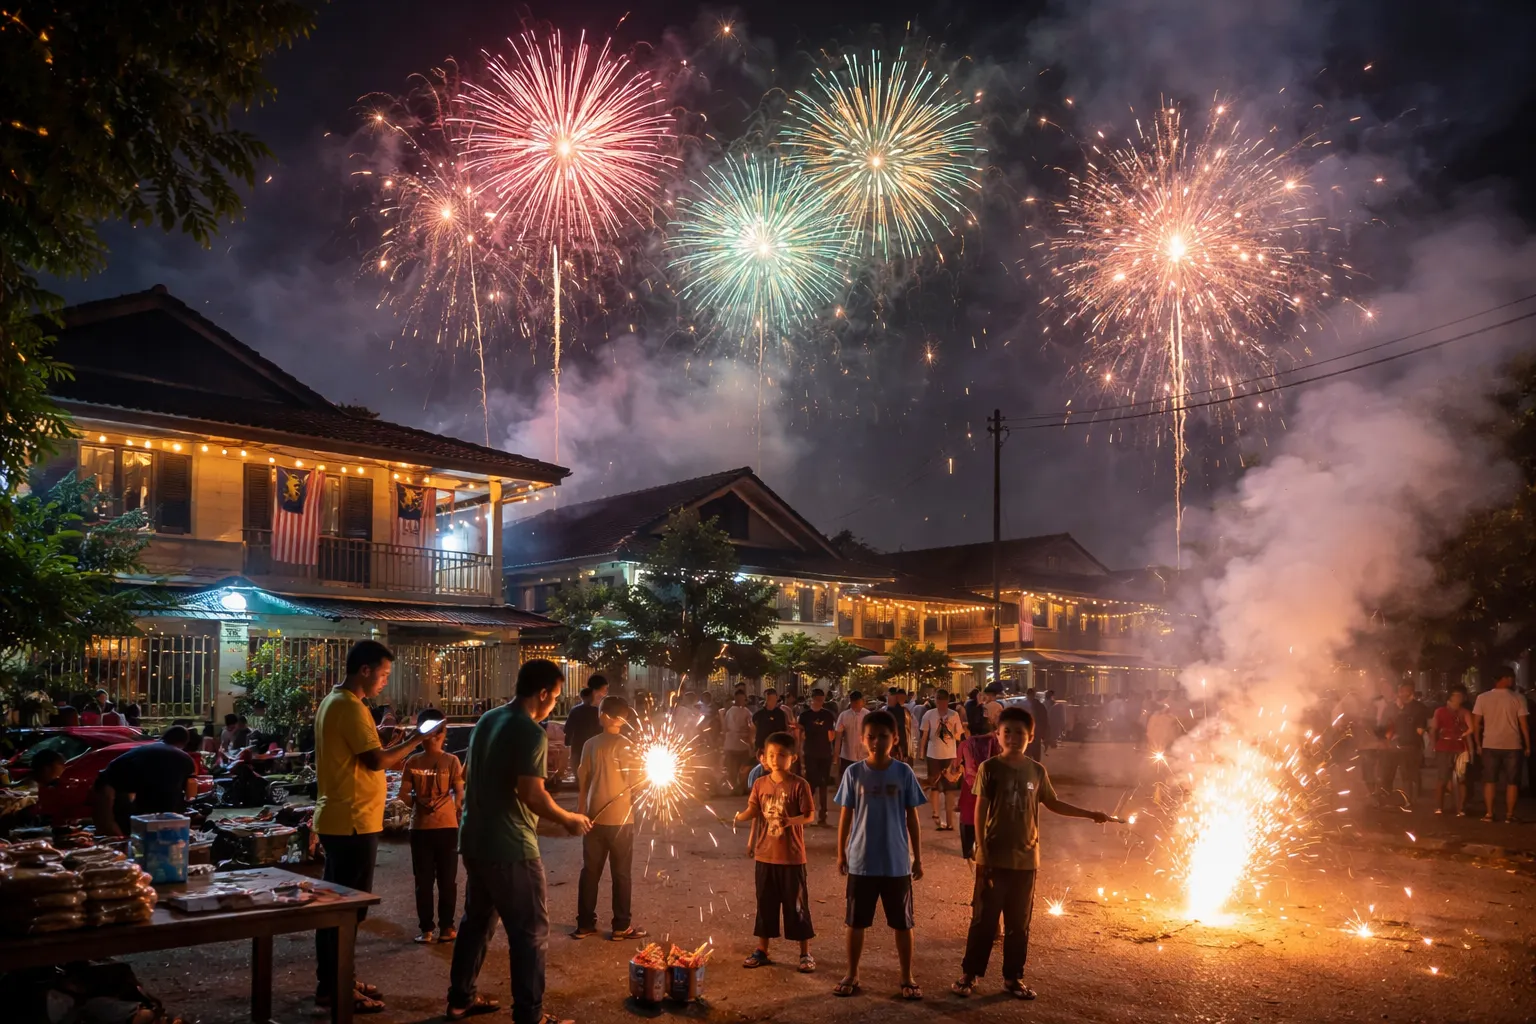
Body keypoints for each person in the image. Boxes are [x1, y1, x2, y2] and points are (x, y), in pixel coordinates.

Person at [448, 659, 592, 1023]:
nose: (553, 705)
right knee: (530, 933)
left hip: (474, 840)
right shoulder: (531, 732)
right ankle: (530, 1015)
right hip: (510, 846)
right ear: (542, 693)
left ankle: (460, 999)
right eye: (554, 697)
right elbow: (532, 794)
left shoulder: (488, 719)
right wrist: (569, 819)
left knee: (476, 922)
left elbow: (472, 774)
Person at [952, 707, 1112, 1001]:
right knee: (984, 921)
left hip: (1026, 861)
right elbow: (980, 811)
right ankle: (969, 974)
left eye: (1020, 733)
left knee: (1019, 924)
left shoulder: (1036, 771)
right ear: (997, 735)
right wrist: (981, 850)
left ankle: (1013, 977)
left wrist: (1091, 814)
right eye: (1007, 732)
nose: (1013, 737)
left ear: (1031, 737)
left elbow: (1053, 802)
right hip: (993, 859)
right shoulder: (990, 769)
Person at [313, 640, 424, 1015]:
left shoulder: (335, 701)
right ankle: (334, 987)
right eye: (384, 674)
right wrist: (416, 740)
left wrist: (392, 742)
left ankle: (338, 976)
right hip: (353, 820)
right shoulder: (349, 705)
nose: (384, 682)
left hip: (344, 817)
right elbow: (377, 762)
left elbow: (363, 755)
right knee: (345, 910)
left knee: (339, 907)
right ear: (365, 670)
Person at [832, 710, 926, 1001]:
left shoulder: (903, 773)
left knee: (903, 923)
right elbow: (845, 816)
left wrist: (917, 857)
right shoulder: (854, 773)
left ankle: (907, 976)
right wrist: (841, 852)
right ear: (861, 739)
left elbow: (912, 818)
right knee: (855, 922)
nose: (876, 741)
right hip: (862, 860)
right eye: (871, 736)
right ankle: (852, 972)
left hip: (897, 861)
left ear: (895, 739)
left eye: (883, 736)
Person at [735, 731, 816, 973]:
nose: (775, 759)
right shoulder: (760, 784)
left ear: (793, 758)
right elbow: (754, 812)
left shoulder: (800, 785)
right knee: (765, 904)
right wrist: (739, 818)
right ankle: (762, 950)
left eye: (781, 755)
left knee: (797, 906)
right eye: (771, 754)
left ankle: (805, 953)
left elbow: (809, 815)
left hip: (791, 857)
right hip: (765, 855)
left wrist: (790, 821)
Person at [574, 695, 647, 942]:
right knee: (621, 873)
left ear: (604, 716)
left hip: (593, 818)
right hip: (621, 821)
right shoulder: (627, 745)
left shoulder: (590, 745)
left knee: (590, 871)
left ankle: (584, 924)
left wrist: (581, 811)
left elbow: (583, 781)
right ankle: (621, 926)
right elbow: (636, 781)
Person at [399, 708, 466, 945]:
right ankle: (444, 928)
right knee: (444, 880)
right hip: (443, 827)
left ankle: (430, 929)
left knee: (426, 881)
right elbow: (459, 794)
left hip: (423, 828)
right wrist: (454, 808)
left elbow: (404, 795)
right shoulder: (450, 761)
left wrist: (419, 801)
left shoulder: (416, 762)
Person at [91, 726, 199, 837]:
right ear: (184, 743)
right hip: (111, 787)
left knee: (117, 833)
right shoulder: (185, 759)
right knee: (122, 834)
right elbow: (185, 794)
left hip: (105, 785)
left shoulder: (145, 749)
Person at [1472, 669, 1531, 823]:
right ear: (1505, 678)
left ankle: (1489, 814)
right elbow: (1523, 724)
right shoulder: (1518, 698)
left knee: (1490, 780)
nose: (1513, 680)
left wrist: (1478, 743)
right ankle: (1509, 815)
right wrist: (1528, 745)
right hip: (1513, 744)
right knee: (1512, 782)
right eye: (1511, 677)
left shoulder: (1483, 698)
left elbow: (1476, 724)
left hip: (1490, 743)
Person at [918, 691, 966, 831]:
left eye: (943, 700)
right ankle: (936, 816)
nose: (941, 702)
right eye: (938, 699)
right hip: (933, 754)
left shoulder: (954, 715)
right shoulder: (929, 715)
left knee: (949, 788)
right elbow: (924, 735)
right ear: (935, 700)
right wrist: (921, 753)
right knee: (934, 786)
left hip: (949, 755)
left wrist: (959, 756)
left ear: (947, 700)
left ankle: (950, 821)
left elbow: (958, 736)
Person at [957, 716, 1001, 861]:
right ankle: (984, 847)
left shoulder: (965, 744)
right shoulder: (995, 742)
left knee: (968, 816)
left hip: (970, 787)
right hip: (990, 786)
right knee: (988, 815)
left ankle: (969, 850)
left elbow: (956, 766)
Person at [797, 689, 839, 826]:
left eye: (822, 700)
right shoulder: (804, 716)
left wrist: (833, 753)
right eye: (818, 699)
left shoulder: (828, 715)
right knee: (811, 785)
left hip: (825, 754)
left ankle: (823, 816)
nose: (820, 702)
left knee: (823, 785)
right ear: (812, 699)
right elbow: (800, 735)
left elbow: (831, 735)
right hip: (810, 753)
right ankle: (807, 813)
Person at [1431, 686, 1474, 816]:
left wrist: (1468, 743)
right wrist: (1434, 745)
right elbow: (1434, 729)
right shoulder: (1440, 711)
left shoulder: (1465, 712)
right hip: (1444, 746)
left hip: (1460, 747)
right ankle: (1439, 806)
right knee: (1443, 778)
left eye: (1460, 696)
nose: (1458, 698)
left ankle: (1460, 808)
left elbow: (1471, 729)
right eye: (1456, 695)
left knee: (1461, 778)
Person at [1384, 683, 1430, 805]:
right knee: (1388, 774)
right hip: (1393, 746)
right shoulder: (1392, 707)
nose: (1403, 694)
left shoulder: (1419, 708)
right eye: (1401, 691)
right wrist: (1387, 739)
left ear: (1412, 692)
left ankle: (1409, 799)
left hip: (1411, 746)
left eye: (1406, 691)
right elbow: (1387, 724)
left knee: (1409, 775)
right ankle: (1387, 798)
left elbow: (1420, 729)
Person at [723, 690, 755, 796]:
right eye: (739, 698)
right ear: (735, 699)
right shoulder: (730, 712)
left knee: (744, 768)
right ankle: (733, 787)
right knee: (732, 769)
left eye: (743, 698)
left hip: (743, 745)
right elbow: (727, 727)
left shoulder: (746, 712)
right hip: (732, 744)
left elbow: (751, 726)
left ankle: (742, 787)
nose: (741, 701)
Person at [564, 685, 602, 766]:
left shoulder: (575, 710)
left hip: (578, 744)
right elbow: (601, 728)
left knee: (577, 767)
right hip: (593, 745)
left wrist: (568, 741)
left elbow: (568, 728)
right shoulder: (597, 711)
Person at [833, 691, 869, 776]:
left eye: (858, 702)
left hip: (864, 755)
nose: (856, 705)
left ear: (862, 701)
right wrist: (836, 756)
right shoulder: (844, 715)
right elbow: (838, 737)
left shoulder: (868, 715)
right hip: (847, 755)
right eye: (854, 703)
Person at [885, 689, 912, 762]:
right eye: (888, 697)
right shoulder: (887, 710)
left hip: (896, 748)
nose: (889, 700)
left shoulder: (901, 711)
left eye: (890, 697)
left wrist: (903, 750)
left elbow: (903, 731)